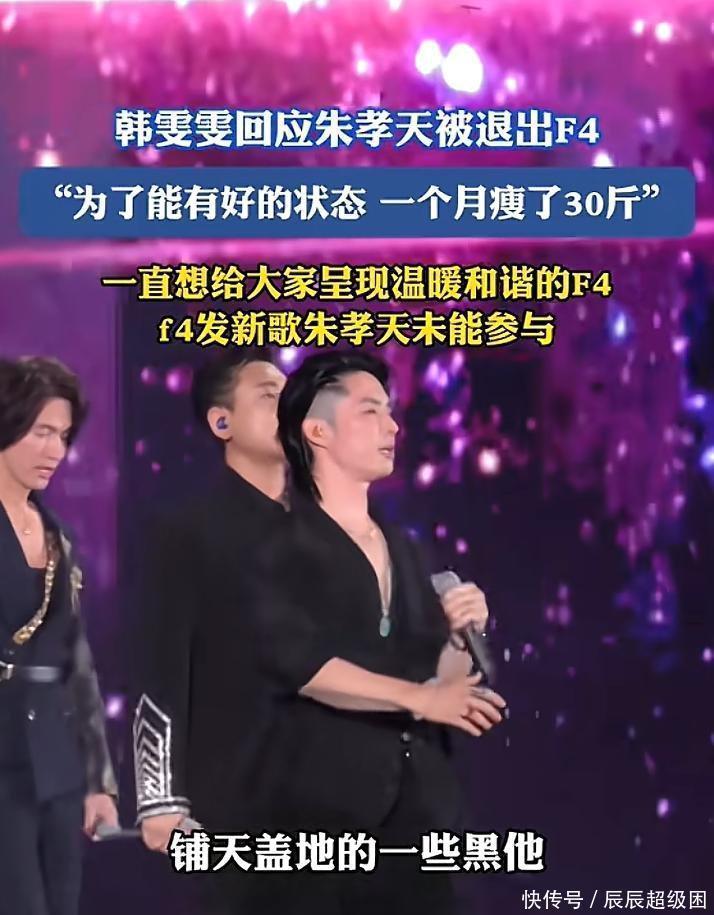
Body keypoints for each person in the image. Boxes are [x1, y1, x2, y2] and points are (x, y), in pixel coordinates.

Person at [241, 351, 508, 915]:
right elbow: (300, 665)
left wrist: (461, 638)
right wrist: (419, 697)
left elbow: (434, 671)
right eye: (371, 412)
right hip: (320, 816)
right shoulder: (277, 546)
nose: (392, 427)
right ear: (317, 431)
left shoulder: (405, 546)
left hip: (418, 811)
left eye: (390, 412)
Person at [132, 348, 288, 910]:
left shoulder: (336, 526)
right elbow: (161, 666)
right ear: (223, 423)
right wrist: (159, 798)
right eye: (269, 396)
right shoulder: (189, 532)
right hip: (233, 790)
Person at [0, 356, 118, 915]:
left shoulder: (60, 539)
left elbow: (78, 663)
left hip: (57, 764)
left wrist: (98, 782)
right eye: (42, 432)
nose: (56, 450)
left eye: (64, 436)